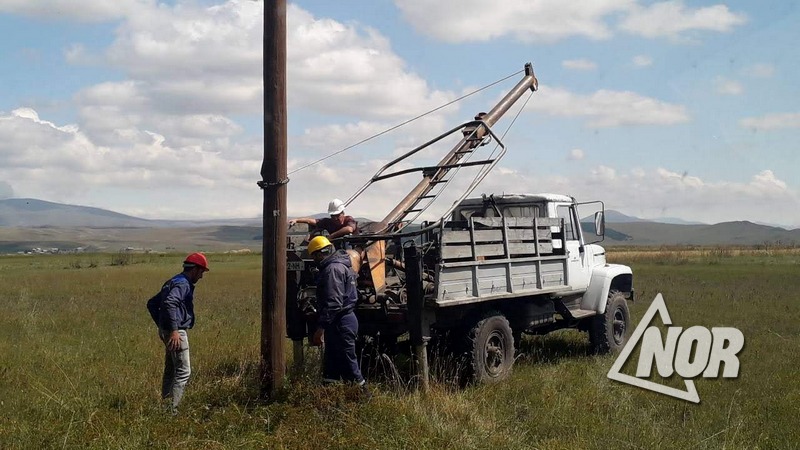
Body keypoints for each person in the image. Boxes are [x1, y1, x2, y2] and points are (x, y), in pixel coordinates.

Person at [146, 252, 210, 415]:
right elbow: (169, 303)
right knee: (183, 371)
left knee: (171, 370)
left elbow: (152, 304)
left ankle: (165, 406)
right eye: (201, 271)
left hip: (168, 330)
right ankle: (173, 412)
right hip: (177, 332)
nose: (201, 276)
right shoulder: (183, 284)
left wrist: (162, 326)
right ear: (195, 269)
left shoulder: (173, 281)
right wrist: (174, 330)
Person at [307, 236, 368, 395]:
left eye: (314, 256)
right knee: (332, 361)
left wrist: (321, 328)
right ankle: (329, 394)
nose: (314, 260)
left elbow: (334, 303)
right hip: (341, 320)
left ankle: (365, 395)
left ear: (319, 254)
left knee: (348, 361)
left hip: (341, 321)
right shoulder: (341, 265)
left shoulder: (332, 269)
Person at [288, 198, 357, 240]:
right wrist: (296, 220)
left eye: (337, 215)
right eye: (333, 216)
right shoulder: (328, 222)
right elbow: (311, 221)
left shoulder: (349, 219)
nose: (335, 218)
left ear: (343, 213)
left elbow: (349, 229)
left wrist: (332, 236)